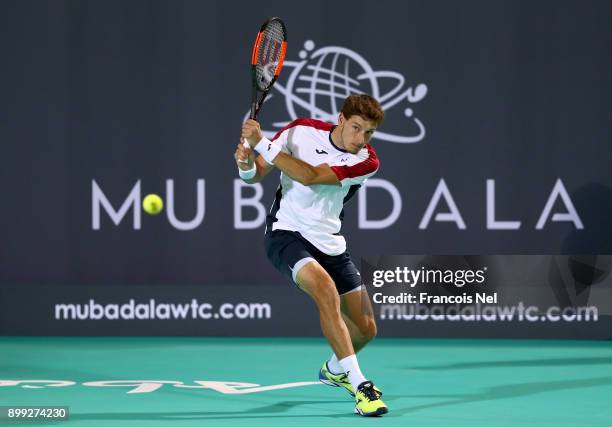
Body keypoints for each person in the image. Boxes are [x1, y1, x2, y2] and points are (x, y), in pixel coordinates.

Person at [234, 94, 388, 417]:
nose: (361, 139)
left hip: (330, 243)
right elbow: (255, 174)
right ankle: (361, 386)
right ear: (341, 119)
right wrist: (246, 162)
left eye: (369, 133)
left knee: (367, 329)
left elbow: (311, 176)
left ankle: (334, 370)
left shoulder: (367, 161)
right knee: (325, 289)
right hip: (285, 234)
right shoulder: (300, 131)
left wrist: (261, 142)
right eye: (357, 128)